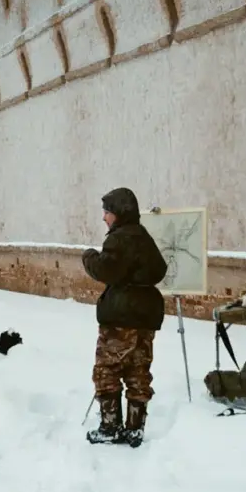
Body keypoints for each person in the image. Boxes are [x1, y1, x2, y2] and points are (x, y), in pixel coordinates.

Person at [82, 187, 167, 447]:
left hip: (121, 317)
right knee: (138, 370)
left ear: (117, 213)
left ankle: (110, 426)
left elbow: (107, 270)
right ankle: (135, 428)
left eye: (106, 212)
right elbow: (159, 269)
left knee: (107, 370)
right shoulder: (143, 236)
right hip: (146, 316)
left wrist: (89, 257)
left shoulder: (119, 239)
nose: (104, 218)